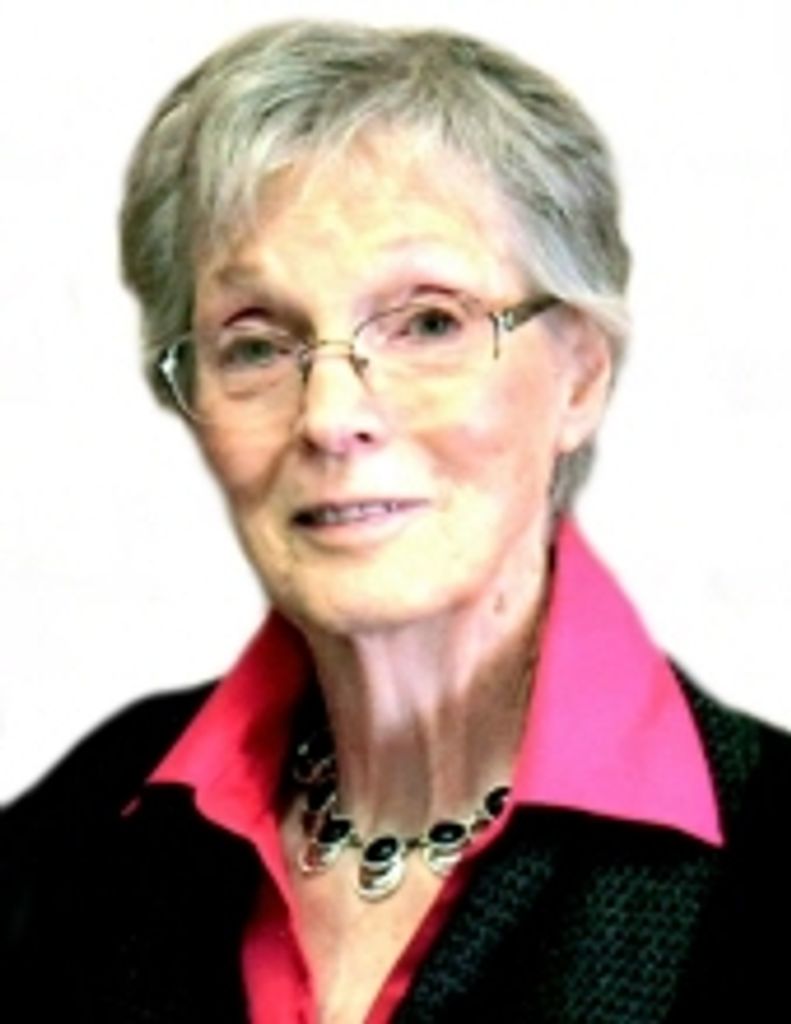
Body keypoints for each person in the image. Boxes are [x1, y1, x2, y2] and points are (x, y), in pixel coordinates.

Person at [2, 19, 790, 1024]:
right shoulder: (84, 832)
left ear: (580, 376)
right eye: (255, 344)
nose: (330, 416)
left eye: (427, 323)